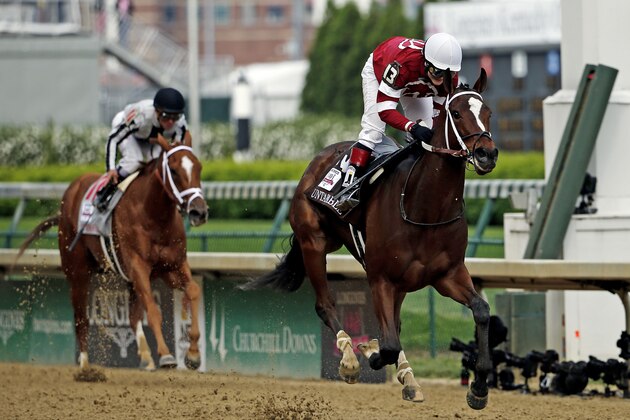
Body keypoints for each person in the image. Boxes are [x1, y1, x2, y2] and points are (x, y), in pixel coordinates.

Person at [338, 33, 462, 206]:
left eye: (448, 74)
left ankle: (417, 187)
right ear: (426, 62)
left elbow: (438, 115)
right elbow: (385, 110)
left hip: (415, 83)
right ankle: (348, 185)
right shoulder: (403, 64)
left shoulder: (450, 79)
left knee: (428, 135)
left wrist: (425, 129)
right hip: (380, 73)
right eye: (437, 71)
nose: (441, 79)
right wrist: (412, 127)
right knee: (373, 132)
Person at [93, 87, 188, 212]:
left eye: (175, 117)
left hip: (151, 138)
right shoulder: (141, 116)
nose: (171, 121)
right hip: (131, 132)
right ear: (157, 112)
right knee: (135, 161)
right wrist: (110, 169)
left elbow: (176, 154)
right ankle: (104, 194)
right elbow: (113, 139)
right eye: (166, 116)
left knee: (158, 165)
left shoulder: (180, 124)